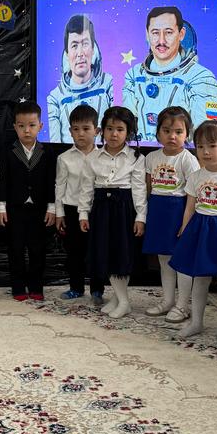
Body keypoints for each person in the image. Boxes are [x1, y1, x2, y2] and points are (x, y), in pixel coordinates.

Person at [170, 120, 217, 344]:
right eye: (200, 146)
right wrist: (185, 229)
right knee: (199, 279)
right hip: (199, 230)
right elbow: (190, 207)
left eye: (212, 146)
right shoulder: (196, 176)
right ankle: (196, 322)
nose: (206, 151)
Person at [77, 106, 146, 320]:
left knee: (120, 254)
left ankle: (123, 301)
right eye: (109, 128)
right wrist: (83, 213)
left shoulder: (136, 158)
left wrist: (141, 216)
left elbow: (139, 189)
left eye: (120, 129)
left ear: (129, 133)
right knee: (105, 253)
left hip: (123, 209)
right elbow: (86, 188)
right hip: (101, 208)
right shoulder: (93, 157)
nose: (114, 134)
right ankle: (118, 298)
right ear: (102, 131)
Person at [122, 5, 217, 143]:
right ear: (147, 34)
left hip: (183, 153)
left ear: (181, 34)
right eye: (155, 33)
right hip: (140, 153)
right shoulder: (134, 75)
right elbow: (126, 128)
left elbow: (205, 135)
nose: (161, 41)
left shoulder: (201, 77)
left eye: (168, 32)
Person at [141, 106, 199, 321]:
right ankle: (168, 301)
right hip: (158, 211)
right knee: (164, 259)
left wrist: (186, 222)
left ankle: (183, 305)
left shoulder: (188, 159)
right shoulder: (151, 157)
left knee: (180, 260)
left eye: (178, 132)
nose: (172, 136)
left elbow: (194, 193)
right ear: (158, 133)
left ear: (187, 134)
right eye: (166, 131)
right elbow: (148, 188)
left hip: (179, 211)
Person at [0, 102, 57, 302]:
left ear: (40, 126)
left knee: (38, 249)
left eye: (31, 125)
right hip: (15, 208)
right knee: (16, 249)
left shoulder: (48, 152)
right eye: (21, 126)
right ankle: (18, 286)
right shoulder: (7, 150)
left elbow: (52, 182)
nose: (26, 130)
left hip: (39, 209)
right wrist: (1, 206)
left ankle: (36, 286)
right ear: (15, 127)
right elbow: (2, 180)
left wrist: (52, 207)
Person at [54, 104, 102, 304]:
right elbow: (60, 186)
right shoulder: (64, 158)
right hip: (72, 210)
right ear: (70, 131)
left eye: (86, 128)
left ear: (96, 131)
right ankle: (76, 287)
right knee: (74, 252)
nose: (81, 133)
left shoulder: (103, 157)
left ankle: (97, 290)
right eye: (76, 129)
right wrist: (59, 213)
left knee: (97, 251)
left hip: (96, 210)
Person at [47, 14, 114, 143]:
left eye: (85, 44)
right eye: (74, 45)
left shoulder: (109, 84)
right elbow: (55, 146)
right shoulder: (55, 98)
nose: (80, 53)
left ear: (93, 49)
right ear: (67, 54)